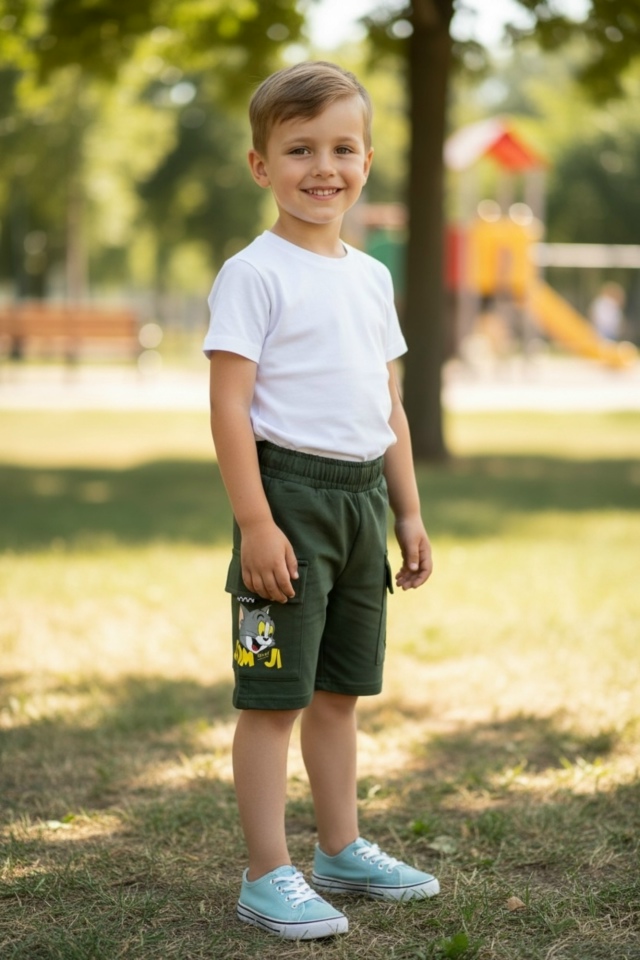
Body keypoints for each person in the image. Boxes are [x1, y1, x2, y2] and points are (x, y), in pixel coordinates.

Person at [204, 61, 439, 941]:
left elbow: (388, 405)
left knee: (340, 693)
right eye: (299, 149)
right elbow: (229, 407)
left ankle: (340, 849)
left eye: (342, 148)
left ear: (367, 162)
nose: (323, 167)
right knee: (274, 698)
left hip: (362, 501)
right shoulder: (253, 273)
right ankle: (267, 873)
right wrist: (257, 522)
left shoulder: (371, 278)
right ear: (261, 164)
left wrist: (407, 512)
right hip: (288, 501)